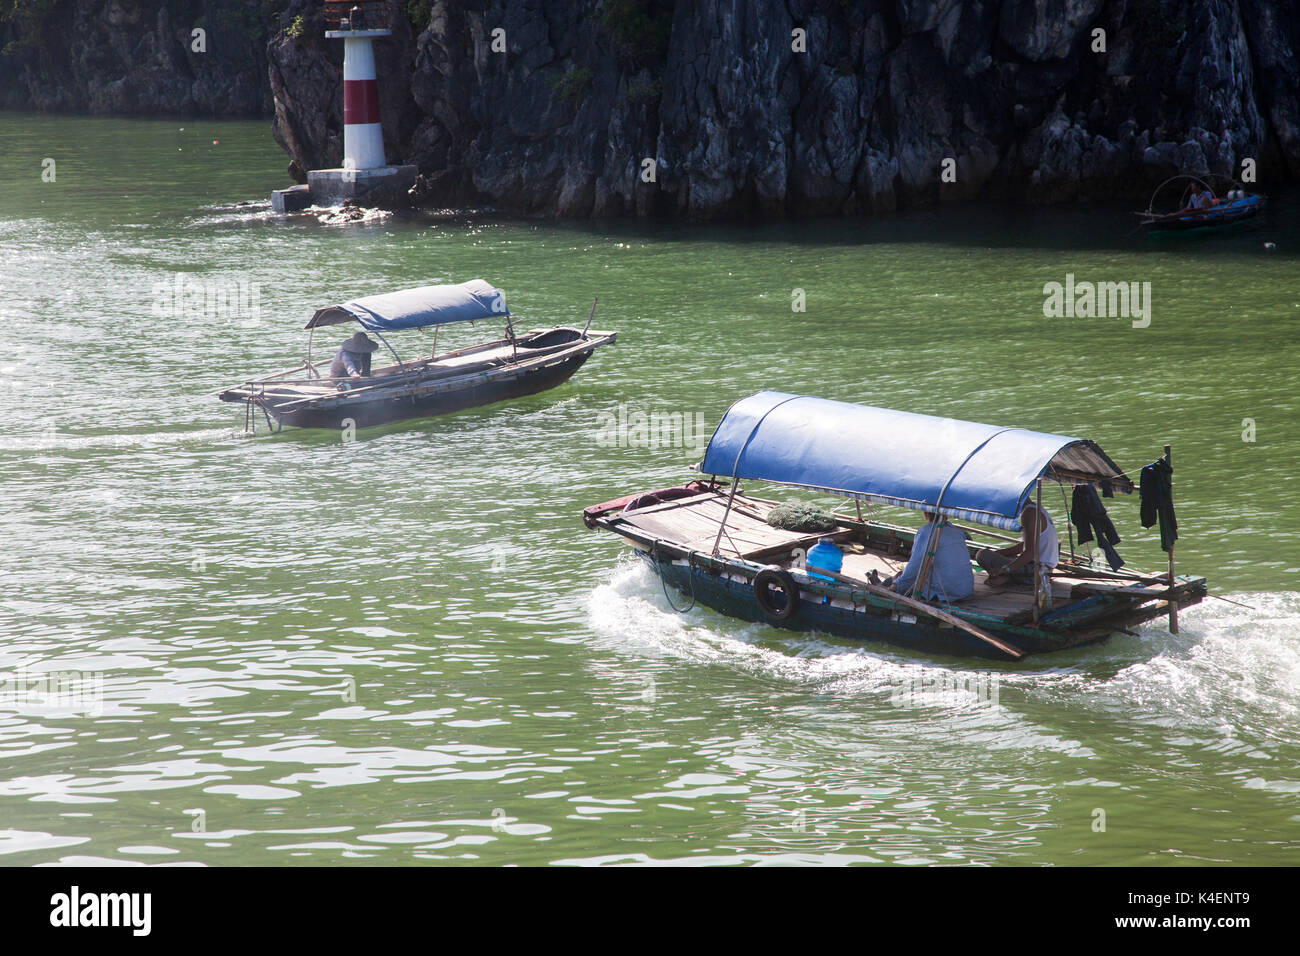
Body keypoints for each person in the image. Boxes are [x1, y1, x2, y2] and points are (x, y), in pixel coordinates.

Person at [880, 512, 974, 602]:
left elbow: (914, 568)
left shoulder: (925, 531)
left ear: (926, 514)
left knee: (901, 580)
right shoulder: (956, 531)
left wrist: (895, 586)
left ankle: (885, 585)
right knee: (900, 576)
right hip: (965, 588)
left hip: (947, 592)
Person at [975, 501, 1059, 590]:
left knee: (982, 555)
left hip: (1036, 572)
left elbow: (1029, 553)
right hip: (1046, 570)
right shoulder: (1035, 508)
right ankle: (1007, 578)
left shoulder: (1029, 514)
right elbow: (1025, 545)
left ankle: (1005, 577)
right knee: (1006, 555)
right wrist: (998, 553)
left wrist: (1005, 569)